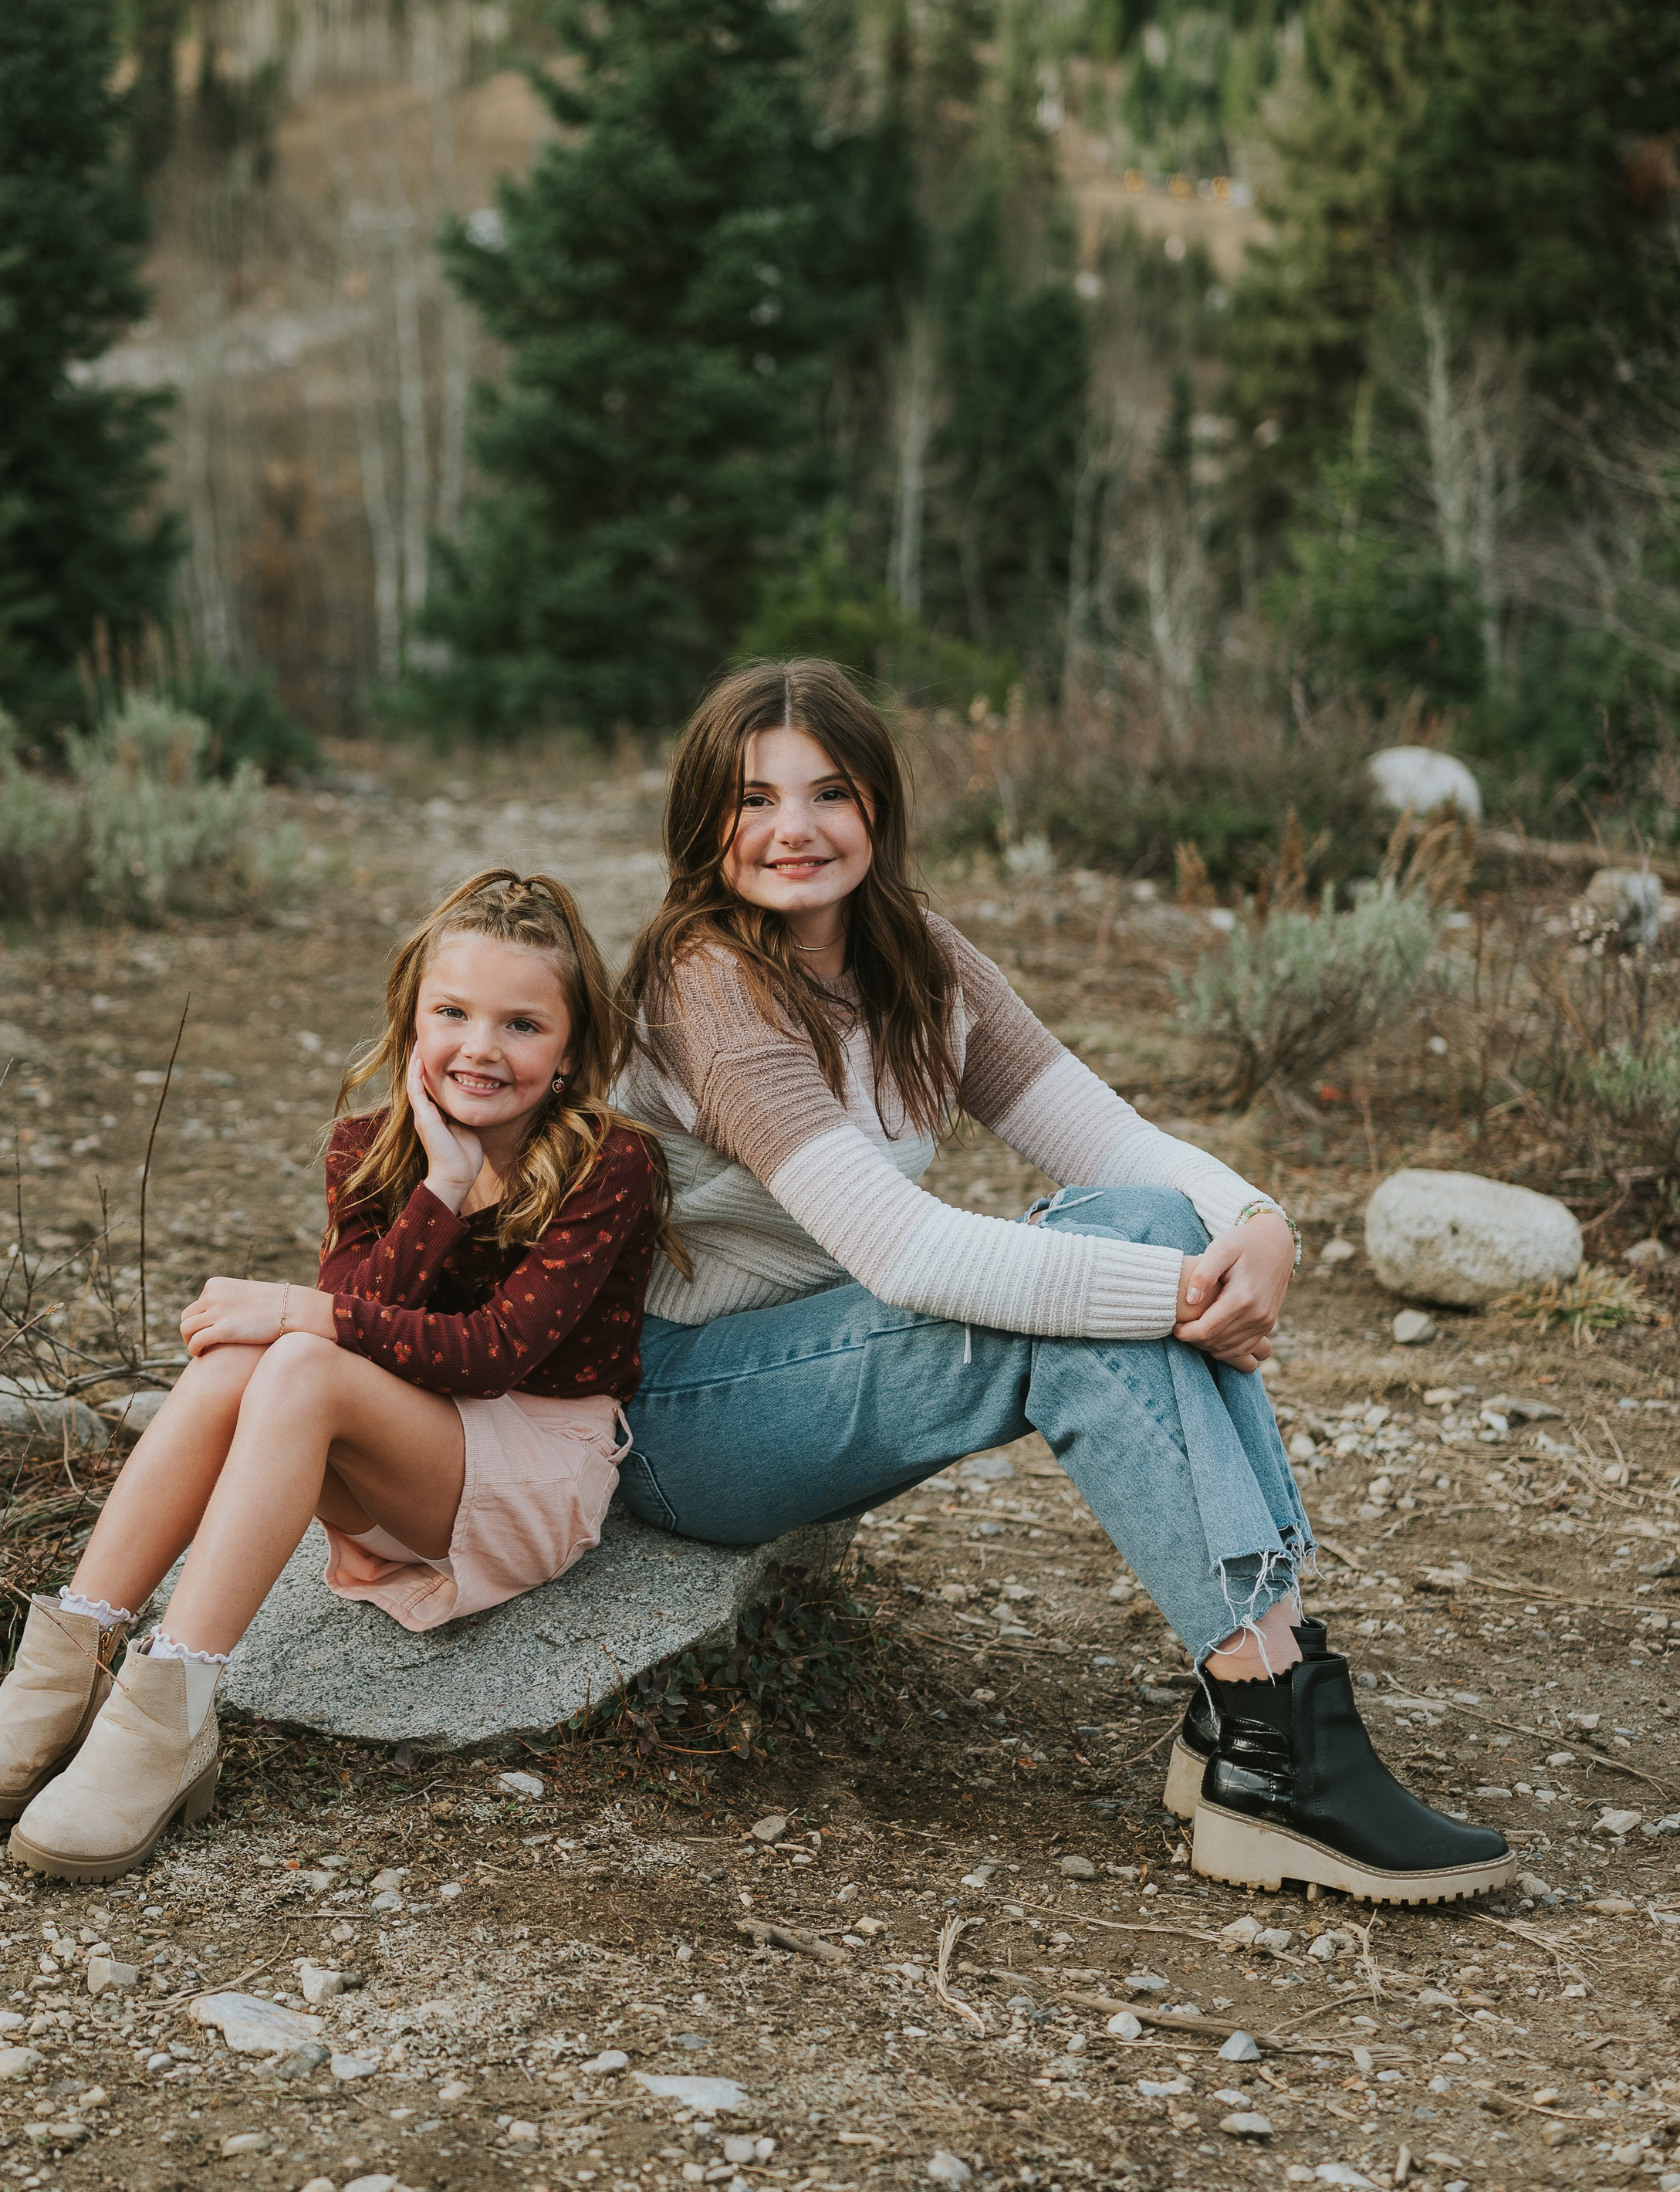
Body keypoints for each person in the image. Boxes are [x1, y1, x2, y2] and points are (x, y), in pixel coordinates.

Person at [615, 660, 1510, 1906]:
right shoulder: (706, 982)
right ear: (703, 819)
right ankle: (1269, 1730)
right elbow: (906, 1253)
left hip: (829, 1355)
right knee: (1079, 1306)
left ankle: (1261, 1700)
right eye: (754, 798)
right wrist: (1177, 1295)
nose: (794, 828)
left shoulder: (918, 957)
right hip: (684, 1413)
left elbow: (1113, 1143)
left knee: (1150, 1217)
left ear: (878, 805)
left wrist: (1260, 1221)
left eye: (830, 792)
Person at [0, 871, 674, 1881]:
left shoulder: (608, 1162)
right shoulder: (371, 1150)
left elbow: (494, 1353)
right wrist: (441, 1188)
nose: (481, 1048)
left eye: (522, 1024)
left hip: (534, 1463)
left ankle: (169, 1715)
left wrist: (296, 1307)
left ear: (571, 1049)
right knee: (247, 1359)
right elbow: (354, 1328)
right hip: (403, 1455)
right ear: (412, 1019)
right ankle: (59, 1675)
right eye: (452, 1013)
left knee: (298, 1352)